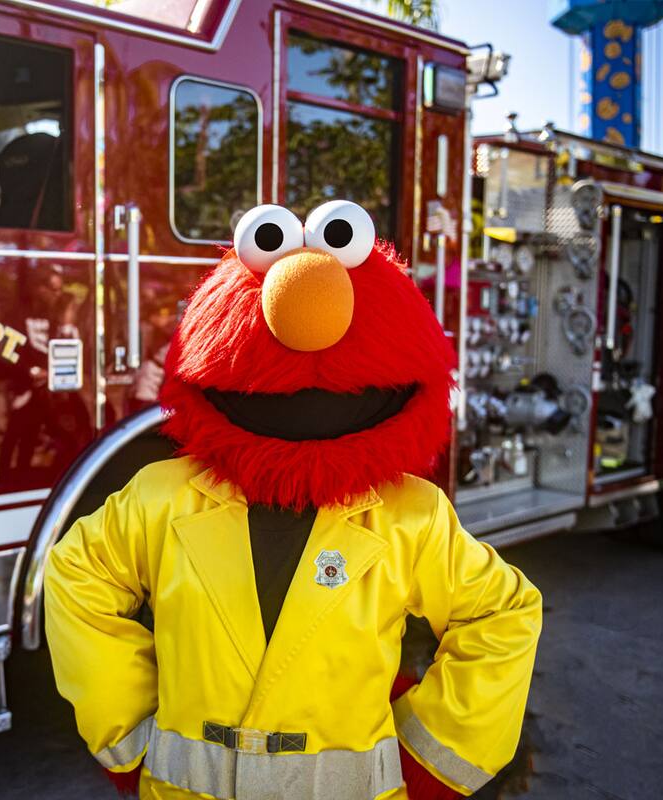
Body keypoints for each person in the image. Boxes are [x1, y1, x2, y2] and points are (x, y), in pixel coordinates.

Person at [45, 201, 542, 799]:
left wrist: (434, 758)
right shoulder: (161, 498)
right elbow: (78, 577)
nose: (308, 325)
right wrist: (125, 734)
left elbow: (501, 616)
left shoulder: (412, 516)